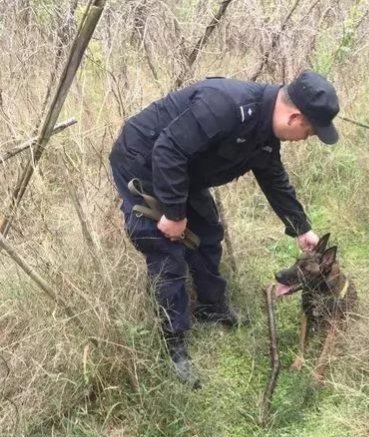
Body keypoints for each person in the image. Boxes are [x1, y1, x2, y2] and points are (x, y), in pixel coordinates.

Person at [109, 69, 340, 387]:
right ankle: (175, 344)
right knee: (165, 249)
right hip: (144, 159)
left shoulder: (264, 130)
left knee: (207, 230)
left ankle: (211, 307)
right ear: (295, 117)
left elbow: (272, 176)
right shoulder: (226, 106)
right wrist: (174, 213)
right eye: (310, 132)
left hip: (183, 167)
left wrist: (301, 227)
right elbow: (168, 150)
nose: (307, 138)